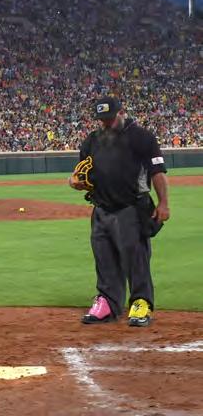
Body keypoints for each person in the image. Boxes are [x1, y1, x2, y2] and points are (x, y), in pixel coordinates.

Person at [69, 96, 170, 327]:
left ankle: (141, 302)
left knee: (136, 258)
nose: (106, 123)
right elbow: (80, 173)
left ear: (122, 113)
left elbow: (157, 172)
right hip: (100, 209)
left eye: (110, 118)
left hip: (131, 208)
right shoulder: (92, 140)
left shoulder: (142, 137)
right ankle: (107, 302)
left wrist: (163, 203)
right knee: (104, 259)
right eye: (102, 119)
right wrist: (74, 182)